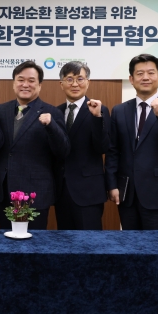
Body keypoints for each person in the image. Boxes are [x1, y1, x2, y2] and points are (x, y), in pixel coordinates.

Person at [105, 54, 158, 230]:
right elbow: (113, 151)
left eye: (151, 73)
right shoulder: (119, 110)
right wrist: (112, 185)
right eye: (140, 73)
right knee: (131, 244)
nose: (145, 77)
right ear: (131, 79)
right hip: (128, 195)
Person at [0, 60, 70, 230]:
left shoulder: (52, 112)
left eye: (31, 80)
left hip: (35, 193)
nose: (25, 84)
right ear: (14, 83)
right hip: (6, 191)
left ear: (40, 85)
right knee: (5, 239)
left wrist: (51, 126)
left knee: (35, 242)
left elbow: (63, 151)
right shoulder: (1, 110)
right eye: (20, 80)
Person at [55, 61, 110, 230]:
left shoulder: (99, 110)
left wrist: (97, 118)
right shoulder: (56, 112)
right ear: (61, 84)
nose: (75, 84)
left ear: (88, 82)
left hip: (88, 192)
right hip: (61, 191)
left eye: (80, 79)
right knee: (64, 240)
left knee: (89, 241)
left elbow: (103, 147)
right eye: (69, 79)